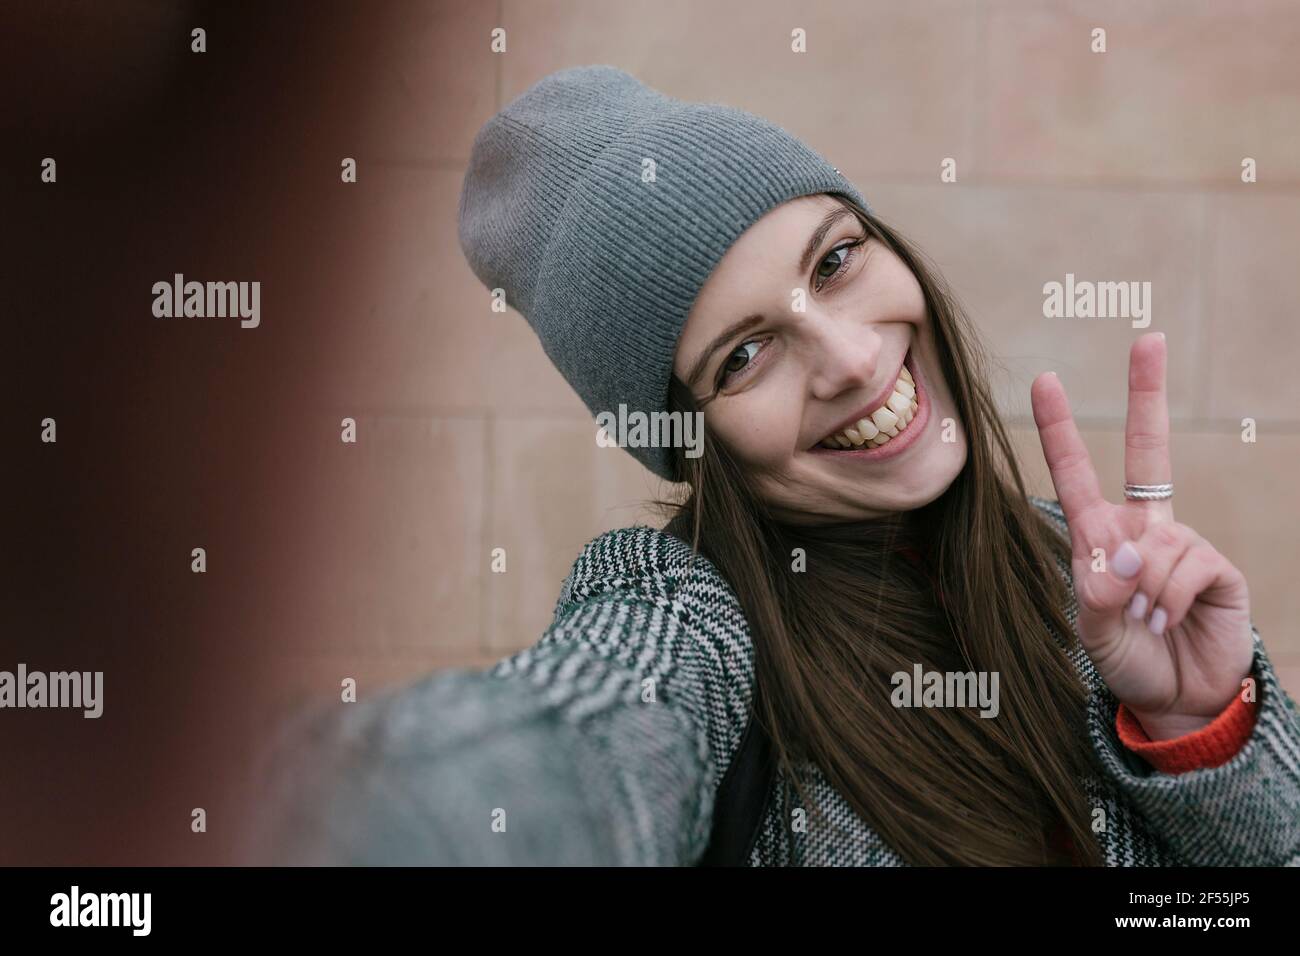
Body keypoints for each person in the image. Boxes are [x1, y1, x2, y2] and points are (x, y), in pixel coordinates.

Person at [255, 65, 1300, 866]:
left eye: (834, 260)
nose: (849, 357)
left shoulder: (1084, 562)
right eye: (744, 354)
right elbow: (577, 737)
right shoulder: (684, 612)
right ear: (692, 441)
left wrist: (1195, 730)